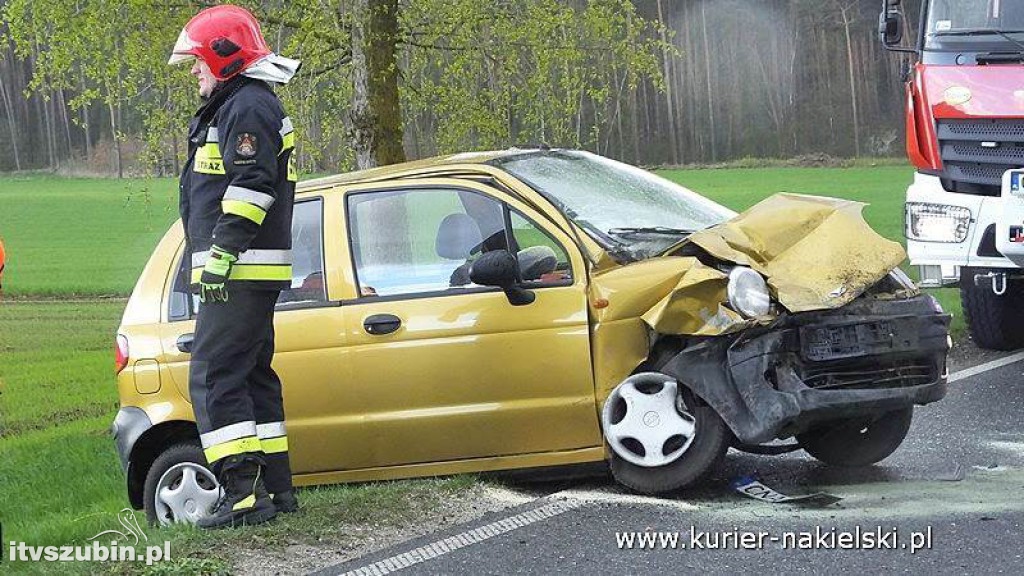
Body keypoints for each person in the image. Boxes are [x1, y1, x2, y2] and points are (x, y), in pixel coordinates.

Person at [168, 4, 301, 529]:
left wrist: (220, 257)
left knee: (214, 375)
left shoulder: (246, 108)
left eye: (198, 61)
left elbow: (251, 188)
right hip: (247, 270)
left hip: (239, 271)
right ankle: (277, 492)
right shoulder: (243, 103)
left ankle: (242, 497)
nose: (195, 72)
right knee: (252, 376)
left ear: (225, 58)